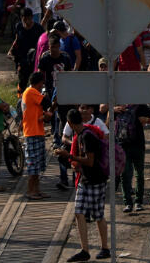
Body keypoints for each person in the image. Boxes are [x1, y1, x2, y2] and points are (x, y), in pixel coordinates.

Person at [56, 108, 111, 262]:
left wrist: (69, 156)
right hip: (85, 180)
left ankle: (105, 248)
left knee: (98, 215)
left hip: (95, 181)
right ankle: (84, 250)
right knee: (78, 212)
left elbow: (90, 161)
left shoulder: (87, 136)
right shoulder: (80, 135)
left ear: (69, 123)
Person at [22, 71, 49, 200]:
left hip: (36, 131)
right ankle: (30, 191)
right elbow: (46, 102)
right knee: (33, 165)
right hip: (32, 133)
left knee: (37, 165)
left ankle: (36, 190)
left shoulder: (30, 92)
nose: (42, 85)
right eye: (42, 83)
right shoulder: (31, 91)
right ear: (39, 83)